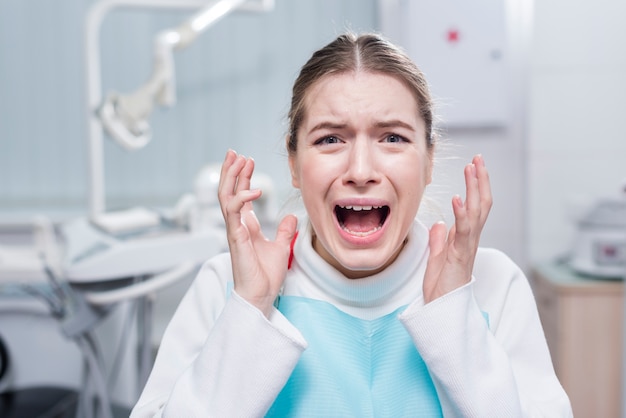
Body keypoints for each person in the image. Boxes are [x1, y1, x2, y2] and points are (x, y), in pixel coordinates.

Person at [130, 32, 572, 417]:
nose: (361, 170)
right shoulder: (225, 287)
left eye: (393, 138)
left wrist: (452, 315)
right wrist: (252, 310)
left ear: (429, 160)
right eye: (330, 139)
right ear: (293, 162)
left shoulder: (493, 285)